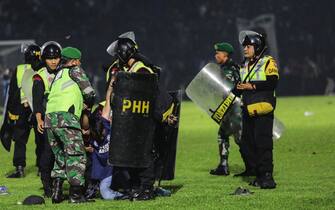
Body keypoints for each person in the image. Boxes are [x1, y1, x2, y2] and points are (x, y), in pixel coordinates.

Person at [107, 37, 177, 201]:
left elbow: (149, 98)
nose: (117, 58)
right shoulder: (131, 68)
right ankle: (137, 187)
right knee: (135, 152)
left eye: (119, 54)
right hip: (136, 117)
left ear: (124, 53)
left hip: (147, 117)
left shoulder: (142, 70)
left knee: (146, 152)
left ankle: (146, 188)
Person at [44, 46, 96, 203]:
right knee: (76, 156)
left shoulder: (57, 75)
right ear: (73, 61)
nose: (79, 62)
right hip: (66, 118)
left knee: (60, 157)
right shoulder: (75, 70)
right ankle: (75, 195)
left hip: (50, 119)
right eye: (78, 60)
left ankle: (57, 193)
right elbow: (89, 93)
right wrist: (88, 105)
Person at [236, 31, 279, 189]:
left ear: (257, 46)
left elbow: (272, 83)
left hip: (263, 110)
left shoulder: (268, 62)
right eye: (244, 47)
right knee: (248, 143)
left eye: (248, 46)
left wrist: (251, 86)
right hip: (247, 110)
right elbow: (241, 86)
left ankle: (267, 177)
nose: (245, 49)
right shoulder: (244, 65)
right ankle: (259, 175)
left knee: (263, 143)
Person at [5, 44, 41, 178]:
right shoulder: (43, 68)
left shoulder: (19, 69)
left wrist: (11, 112)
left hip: (21, 108)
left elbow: (13, 91)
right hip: (38, 107)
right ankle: (41, 168)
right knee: (41, 140)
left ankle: (19, 169)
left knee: (20, 140)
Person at [32, 41, 61, 197]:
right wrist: (39, 120)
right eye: (50, 58)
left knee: (62, 154)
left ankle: (59, 185)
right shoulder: (40, 76)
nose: (54, 61)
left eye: (56, 57)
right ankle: (48, 187)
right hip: (46, 120)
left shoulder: (63, 71)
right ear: (44, 59)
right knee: (47, 155)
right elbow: (37, 101)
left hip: (63, 120)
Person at [209, 42, 242, 176]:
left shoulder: (229, 69)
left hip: (234, 109)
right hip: (230, 108)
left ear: (225, 54)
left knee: (240, 139)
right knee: (223, 134)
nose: (215, 55)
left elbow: (227, 87)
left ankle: (255, 165)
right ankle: (223, 166)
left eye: (218, 53)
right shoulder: (228, 67)